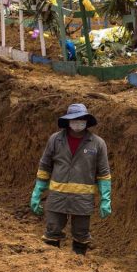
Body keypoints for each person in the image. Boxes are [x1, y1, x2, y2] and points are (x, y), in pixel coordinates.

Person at [31, 104, 111, 255]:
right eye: (75, 119)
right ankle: (51, 261)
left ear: (87, 121)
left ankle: (78, 262)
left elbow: (104, 174)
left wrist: (105, 199)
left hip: (83, 199)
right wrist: (37, 191)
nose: (78, 123)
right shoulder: (55, 140)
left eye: (81, 119)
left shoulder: (97, 143)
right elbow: (45, 166)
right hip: (57, 196)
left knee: (81, 234)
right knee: (52, 230)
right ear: (68, 121)